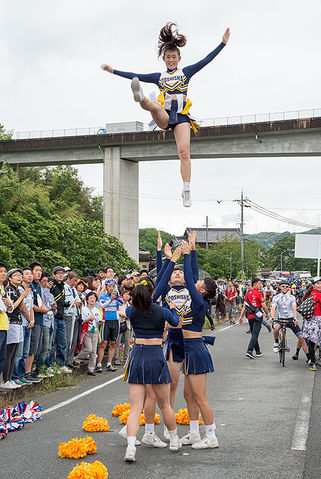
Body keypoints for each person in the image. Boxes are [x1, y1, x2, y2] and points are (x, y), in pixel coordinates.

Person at [101, 23, 230, 207]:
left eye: (174, 57)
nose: (171, 60)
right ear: (164, 58)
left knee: (184, 152)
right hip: (165, 116)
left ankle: (186, 189)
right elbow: (134, 74)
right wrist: (113, 71)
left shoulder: (185, 73)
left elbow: (206, 60)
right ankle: (140, 97)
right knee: (154, 107)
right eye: (168, 57)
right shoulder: (158, 77)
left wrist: (222, 43)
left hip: (182, 118)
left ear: (179, 58)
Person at [122, 274, 181, 462]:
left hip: (138, 355)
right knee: (164, 404)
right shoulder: (161, 311)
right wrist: (173, 308)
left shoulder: (131, 311)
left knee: (135, 408)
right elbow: (175, 322)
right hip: (155, 355)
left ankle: (131, 446)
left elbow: (134, 308)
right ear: (153, 293)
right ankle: (174, 439)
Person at [180, 241, 218, 449]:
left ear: (202, 290)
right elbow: (193, 277)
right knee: (188, 395)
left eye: (199, 283)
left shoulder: (197, 301)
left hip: (195, 349)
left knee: (201, 398)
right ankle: (194, 433)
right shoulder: (199, 297)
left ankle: (211, 436)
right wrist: (193, 250)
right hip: (189, 349)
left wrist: (186, 256)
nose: (196, 282)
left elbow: (188, 277)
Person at [1, 269, 31, 390]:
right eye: (15, 275)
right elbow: (11, 307)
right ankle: (5, 379)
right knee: (9, 353)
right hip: (11, 322)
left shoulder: (16, 290)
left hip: (18, 322)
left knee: (14, 353)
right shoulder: (8, 289)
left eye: (20, 275)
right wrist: (22, 296)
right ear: (10, 278)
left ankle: (9, 378)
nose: (19, 277)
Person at [270, 280, 309, 361]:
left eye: (286, 286)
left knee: (302, 337)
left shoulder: (292, 297)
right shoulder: (276, 297)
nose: (285, 288)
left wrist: (295, 317)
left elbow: (294, 308)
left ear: (289, 288)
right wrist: (272, 317)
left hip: (291, 319)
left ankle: (309, 358)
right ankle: (276, 342)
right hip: (281, 319)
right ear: (280, 287)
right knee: (276, 328)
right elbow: (273, 308)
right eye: (283, 286)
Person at [12, 267, 35, 386]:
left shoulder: (30, 290)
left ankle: (21, 375)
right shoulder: (20, 290)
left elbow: (30, 307)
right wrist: (30, 319)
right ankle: (15, 376)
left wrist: (32, 320)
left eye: (31, 274)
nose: (30, 276)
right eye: (26, 274)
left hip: (29, 323)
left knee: (25, 352)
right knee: (19, 352)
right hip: (21, 323)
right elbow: (23, 308)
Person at [239, 278, 269, 359]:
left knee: (253, 334)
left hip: (249, 316)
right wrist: (267, 314)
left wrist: (241, 316)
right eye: (259, 283)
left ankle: (258, 351)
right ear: (255, 284)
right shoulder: (259, 294)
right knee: (255, 334)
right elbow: (264, 306)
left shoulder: (247, 294)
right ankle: (249, 350)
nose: (261, 285)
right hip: (257, 316)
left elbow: (244, 306)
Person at [97, 278, 123, 372]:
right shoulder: (103, 296)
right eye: (110, 286)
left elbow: (121, 303)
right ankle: (99, 364)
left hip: (115, 321)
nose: (111, 288)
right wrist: (111, 300)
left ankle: (109, 364)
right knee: (104, 343)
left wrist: (115, 298)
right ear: (106, 287)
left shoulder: (117, 296)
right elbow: (103, 306)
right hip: (106, 321)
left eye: (113, 286)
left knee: (113, 343)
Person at [74, 292, 101, 375]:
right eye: (91, 298)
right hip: (86, 331)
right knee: (89, 349)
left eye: (94, 298)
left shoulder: (97, 310)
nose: (92, 299)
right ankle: (76, 359)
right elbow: (81, 321)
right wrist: (88, 319)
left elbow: (98, 321)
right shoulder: (84, 309)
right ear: (87, 299)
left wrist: (101, 322)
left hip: (95, 331)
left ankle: (91, 368)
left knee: (93, 351)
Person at [302, 277, 321, 370]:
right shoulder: (318, 295)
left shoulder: (310, 294)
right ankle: (313, 361)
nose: (320, 285)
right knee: (314, 342)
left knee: (311, 342)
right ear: (313, 285)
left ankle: (312, 360)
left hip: (309, 320)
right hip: (317, 320)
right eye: (318, 283)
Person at [64, 271, 81, 368]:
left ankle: (70, 360)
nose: (74, 283)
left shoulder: (73, 289)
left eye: (76, 281)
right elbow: (65, 302)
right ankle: (65, 360)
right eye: (73, 281)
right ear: (68, 279)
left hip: (76, 315)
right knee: (67, 339)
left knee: (73, 340)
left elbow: (78, 300)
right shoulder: (64, 288)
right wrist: (72, 303)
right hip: (68, 315)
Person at [114, 287, 131, 366]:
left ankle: (126, 358)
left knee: (127, 342)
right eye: (126, 294)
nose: (127, 296)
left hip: (127, 324)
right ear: (122, 295)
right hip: (119, 323)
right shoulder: (118, 303)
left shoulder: (129, 305)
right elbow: (116, 311)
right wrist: (123, 315)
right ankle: (116, 358)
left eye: (128, 295)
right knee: (117, 342)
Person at [0, 263, 11, 379]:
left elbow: (10, 308)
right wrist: (6, 305)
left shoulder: (3, 289)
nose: (3, 273)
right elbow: (3, 308)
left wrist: (7, 305)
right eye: (0, 271)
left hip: (3, 326)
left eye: (4, 271)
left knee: (2, 358)